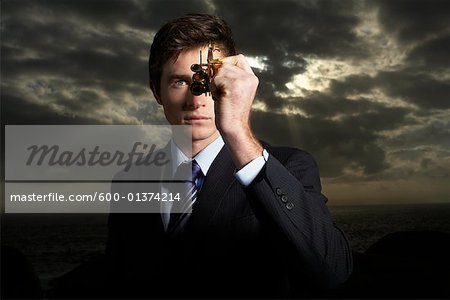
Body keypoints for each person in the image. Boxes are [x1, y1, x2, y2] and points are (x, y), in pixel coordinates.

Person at [106, 13, 352, 298]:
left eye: (207, 81)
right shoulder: (129, 182)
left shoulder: (288, 166)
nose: (196, 100)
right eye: (179, 82)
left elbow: (331, 271)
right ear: (156, 91)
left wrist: (237, 131)